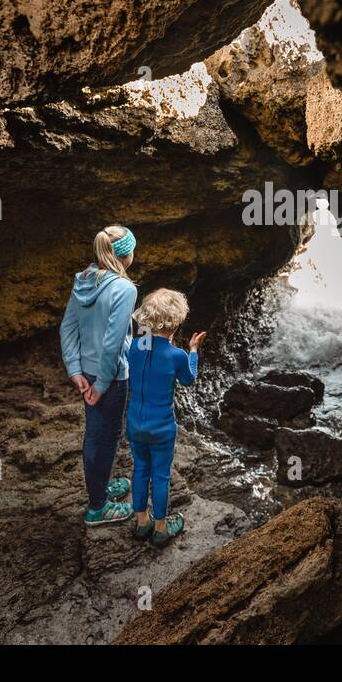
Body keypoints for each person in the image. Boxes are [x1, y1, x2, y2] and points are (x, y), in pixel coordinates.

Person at [59, 224, 138, 526]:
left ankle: (99, 487)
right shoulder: (125, 289)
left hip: (88, 372)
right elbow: (113, 344)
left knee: (94, 434)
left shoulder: (84, 279)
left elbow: (67, 327)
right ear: (126, 255)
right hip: (111, 378)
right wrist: (103, 385)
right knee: (106, 438)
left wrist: (74, 369)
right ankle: (98, 507)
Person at [125, 288, 205, 547]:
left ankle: (141, 522)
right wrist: (193, 351)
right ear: (177, 323)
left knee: (140, 470)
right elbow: (189, 379)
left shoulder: (136, 347)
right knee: (160, 476)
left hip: (135, 424)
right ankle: (160, 528)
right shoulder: (177, 356)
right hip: (161, 429)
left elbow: (147, 343)